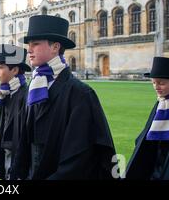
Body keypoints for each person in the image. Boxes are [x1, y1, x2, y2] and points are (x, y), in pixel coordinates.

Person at [12, 15, 117, 180]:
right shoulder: (34, 86)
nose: (29, 50)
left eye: (36, 44)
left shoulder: (80, 94)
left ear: (55, 47)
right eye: (28, 45)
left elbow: (79, 156)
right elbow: (25, 141)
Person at [125, 57, 169, 180]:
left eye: (161, 83)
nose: (156, 87)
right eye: (153, 82)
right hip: (153, 170)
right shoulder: (161, 104)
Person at [0, 44, 31, 180]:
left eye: (1, 67)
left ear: (14, 70)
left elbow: (25, 141)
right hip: (8, 162)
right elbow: (3, 134)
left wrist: (16, 171)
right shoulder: (6, 94)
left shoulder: (26, 97)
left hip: (20, 167)